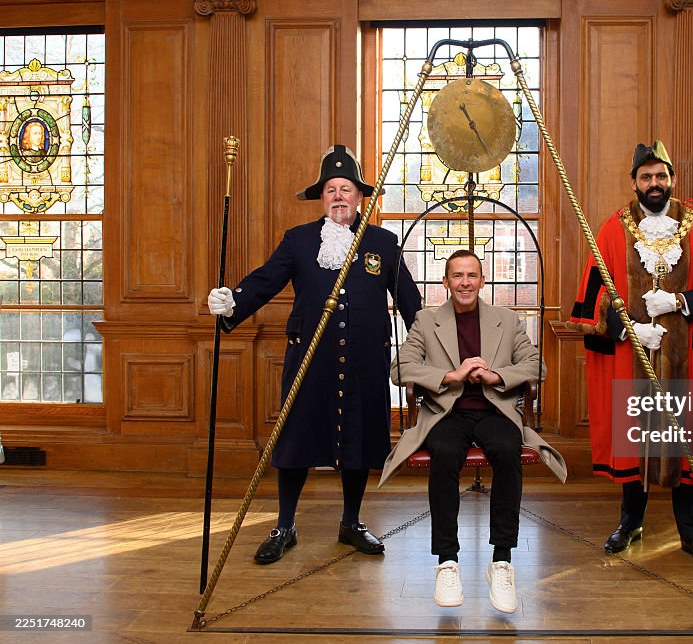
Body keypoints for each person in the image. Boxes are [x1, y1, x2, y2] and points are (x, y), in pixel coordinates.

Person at [207, 145, 421, 564]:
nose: (339, 196)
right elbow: (265, 281)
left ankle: (352, 523)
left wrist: (434, 345)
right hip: (309, 360)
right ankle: (285, 525)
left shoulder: (382, 242)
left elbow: (410, 300)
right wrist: (232, 300)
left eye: (346, 189)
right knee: (295, 441)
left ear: (360, 196)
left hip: (365, 362)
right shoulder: (299, 241)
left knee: (359, 439)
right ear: (322, 198)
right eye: (330, 190)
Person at [568, 141, 693, 569]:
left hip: (686, 357)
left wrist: (680, 303)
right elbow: (592, 295)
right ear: (634, 183)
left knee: (687, 439)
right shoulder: (611, 228)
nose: (654, 184)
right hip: (632, 355)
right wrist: (629, 328)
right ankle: (630, 522)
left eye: (661, 176)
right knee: (634, 436)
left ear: (672, 179)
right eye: (646, 177)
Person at [379, 250, 566, 613]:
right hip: (446, 412)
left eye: (471, 275)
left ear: (482, 281)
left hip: (494, 409)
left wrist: (497, 376)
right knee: (445, 454)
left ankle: (501, 560)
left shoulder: (506, 320)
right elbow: (399, 368)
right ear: (445, 282)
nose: (465, 282)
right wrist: (451, 376)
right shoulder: (426, 320)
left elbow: (535, 365)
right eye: (457, 276)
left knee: (508, 449)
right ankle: (447, 561)